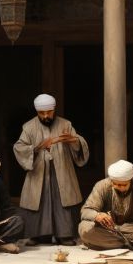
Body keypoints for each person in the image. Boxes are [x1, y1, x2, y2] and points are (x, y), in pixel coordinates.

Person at [14, 94, 90, 245]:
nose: (46, 115)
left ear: (54, 109)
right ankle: (38, 235)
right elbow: (19, 147)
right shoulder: (28, 127)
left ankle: (65, 235)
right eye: (42, 113)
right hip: (39, 172)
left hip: (61, 171)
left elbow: (78, 144)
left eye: (49, 112)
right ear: (37, 112)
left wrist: (75, 141)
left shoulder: (65, 124)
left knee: (62, 201)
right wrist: (37, 148)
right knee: (39, 200)